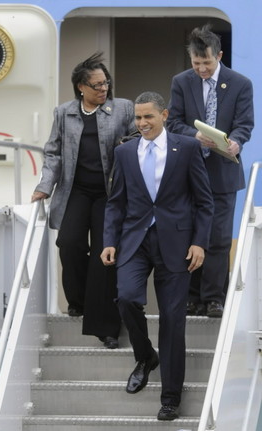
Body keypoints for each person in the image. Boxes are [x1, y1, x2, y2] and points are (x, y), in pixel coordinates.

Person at [101, 91, 214, 420]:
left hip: (177, 244)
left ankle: (170, 398)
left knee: (172, 321)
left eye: (148, 117)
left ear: (164, 116)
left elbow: (204, 201)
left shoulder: (188, 147)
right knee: (126, 298)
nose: (142, 123)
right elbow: (116, 202)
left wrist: (199, 243)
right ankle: (146, 355)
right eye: (138, 118)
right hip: (135, 240)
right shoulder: (124, 152)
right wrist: (109, 239)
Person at [32, 52, 136, 348]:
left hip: (110, 193)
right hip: (75, 190)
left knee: (105, 253)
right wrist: (44, 186)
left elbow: (136, 143)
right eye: (96, 85)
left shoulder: (123, 109)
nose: (103, 89)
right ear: (81, 87)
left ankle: (105, 326)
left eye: (106, 83)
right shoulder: (64, 112)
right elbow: (53, 152)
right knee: (70, 243)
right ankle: (77, 301)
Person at [167, 24, 254, 318]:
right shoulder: (182, 82)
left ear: (219, 55)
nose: (201, 69)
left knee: (218, 237)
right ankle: (191, 296)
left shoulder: (240, 83)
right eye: (196, 63)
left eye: (206, 63)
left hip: (223, 171)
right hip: (189, 171)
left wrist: (237, 142)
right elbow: (173, 122)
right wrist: (193, 136)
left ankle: (214, 297)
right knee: (189, 233)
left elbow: (245, 123)